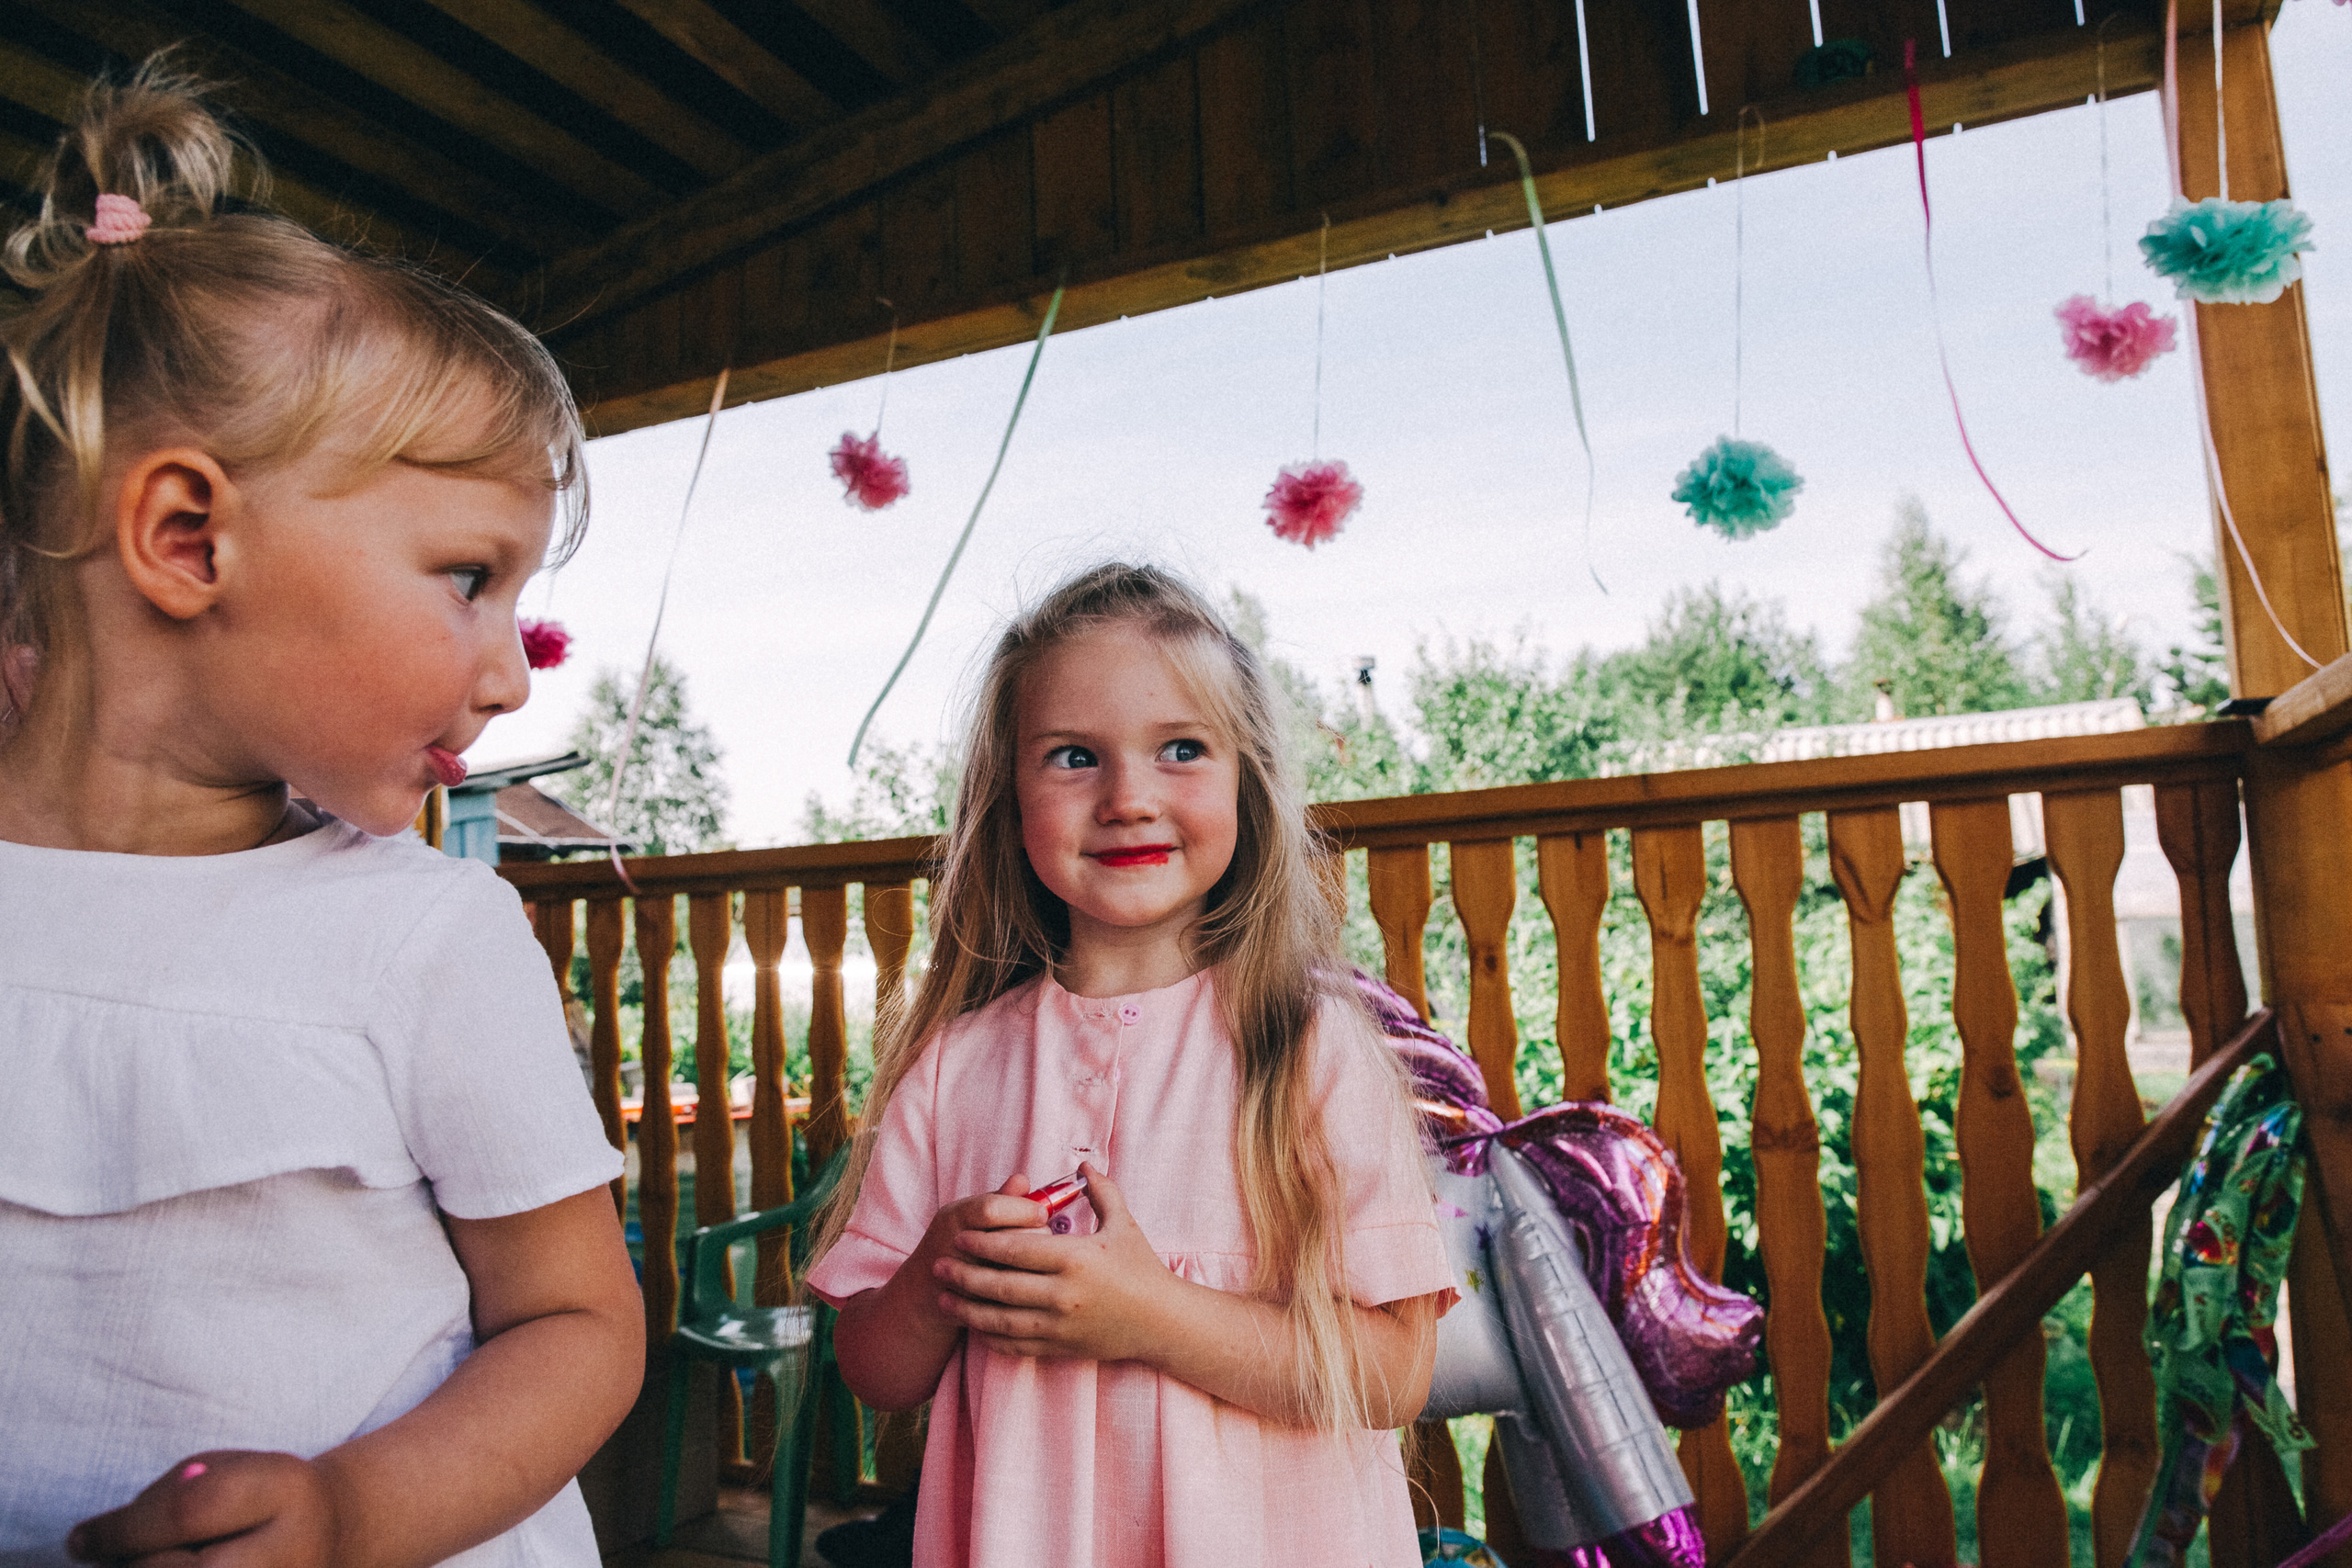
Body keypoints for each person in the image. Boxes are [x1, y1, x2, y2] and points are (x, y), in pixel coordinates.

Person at [0, 61, 642, 1568]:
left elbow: (577, 1321)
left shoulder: (423, 935)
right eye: (469, 576)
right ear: (184, 536)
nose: (507, 672)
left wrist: (358, 1513)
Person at [807, 563, 1455, 1568]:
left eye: (1182, 750)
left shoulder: (1311, 1046)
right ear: (1005, 794)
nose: (1127, 797)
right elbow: (873, 1370)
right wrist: (939, 1278)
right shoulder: (955, 1067)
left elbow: (1394, 1373)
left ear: (1249, 779)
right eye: (1073, 756)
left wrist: (1150, 1313)